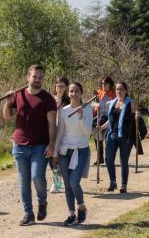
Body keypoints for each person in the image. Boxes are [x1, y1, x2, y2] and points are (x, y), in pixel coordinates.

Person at [3, 64, 57, 226]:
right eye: (35, 76)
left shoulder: (48, 99)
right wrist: (8, 101)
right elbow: (7, 117)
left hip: (39, 145)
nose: (38, 79)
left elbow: (52, 124)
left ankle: (42, 201)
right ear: (28, 77)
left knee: (36, 177)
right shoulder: (18, 95)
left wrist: (52, 145)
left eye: (40, 77)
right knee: (24, 180)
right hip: (19, 145)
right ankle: (28, 214)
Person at [53, 82, 92, 226]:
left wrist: (81, 117)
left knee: (74, 182)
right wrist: (55, 152)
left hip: (81, 150)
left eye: (76, 91)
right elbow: (61, 132)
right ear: (67, 93)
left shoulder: (86, 109)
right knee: (67, 185)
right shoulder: (63, 111)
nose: (73, 94)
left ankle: (81, 207)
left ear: (81, 93)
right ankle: (71, 214)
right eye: (71, 91)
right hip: (64, 151)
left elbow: (87, 133)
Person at [99, 82, 140, 193]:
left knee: (123, 160)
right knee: (108, 159)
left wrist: (137, 115)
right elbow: (111, 120)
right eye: (117, 89)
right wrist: (102, 127)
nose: (119, 91)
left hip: (126, 135)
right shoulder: (112, 103)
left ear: (126, 91)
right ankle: (113, 182)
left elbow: (135, 115)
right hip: (113, 134)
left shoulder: (131, 102)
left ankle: (123, 185)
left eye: (121, 89)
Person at [50, 77, 70, 193]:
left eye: (62, 86)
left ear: (66, 88)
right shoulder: (50, 99)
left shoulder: (68, 102)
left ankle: (56, 183)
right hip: (50, 132)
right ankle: (58, 180)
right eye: (58, 86)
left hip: (63, 134)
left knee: (58, 159)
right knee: (51, 159)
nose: (59, 88)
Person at [92, 77, 116, 165]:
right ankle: (100, 157)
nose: (103, 85)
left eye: (105, 83)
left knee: (107, 138)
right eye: (102, 83)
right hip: (99, 116)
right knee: (95, 132)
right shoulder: (99, 94)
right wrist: (96, 100)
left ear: (110, 84)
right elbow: (94, 107)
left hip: (109, 117)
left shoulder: (114, 94)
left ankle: (108, 158)